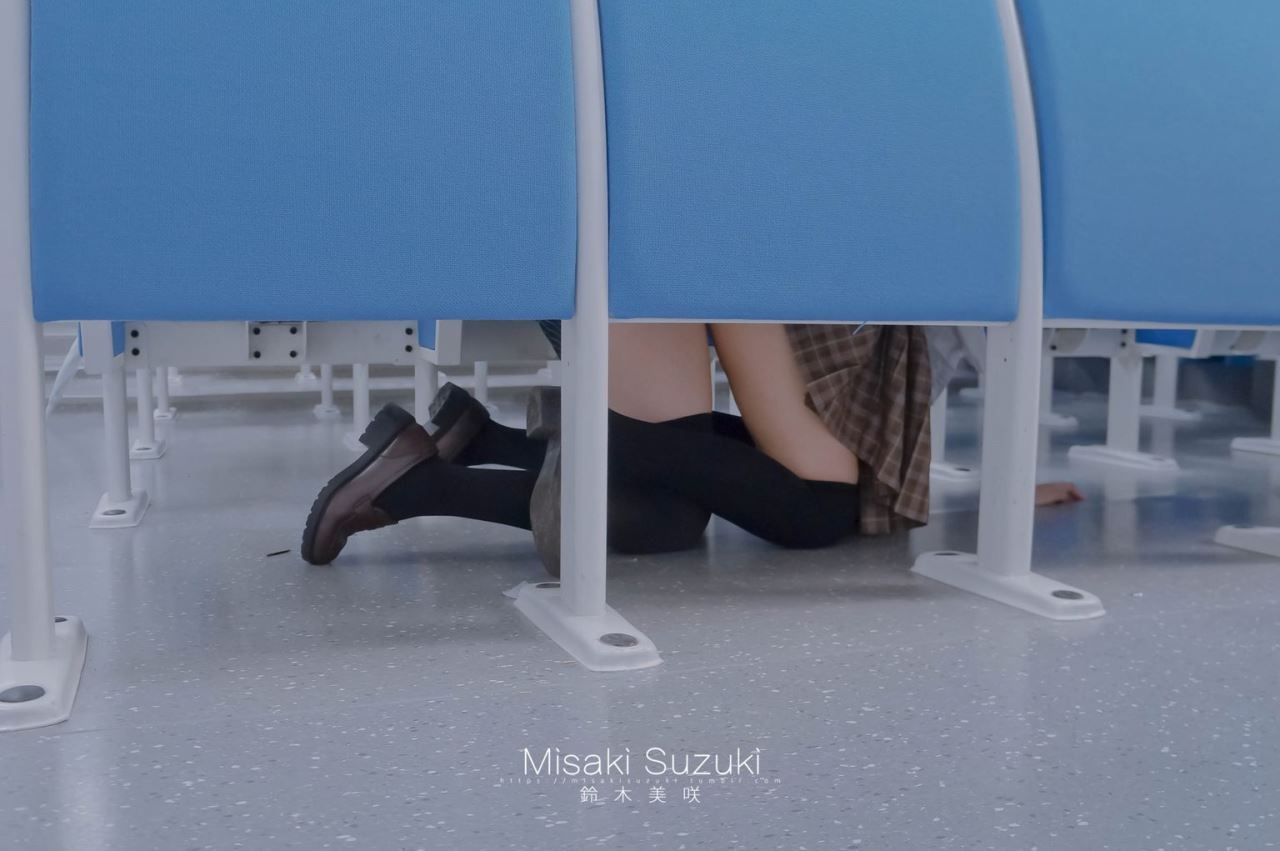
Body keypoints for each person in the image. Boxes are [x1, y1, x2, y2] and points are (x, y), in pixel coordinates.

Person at [300, 323, 1081, 571]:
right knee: (817, 510)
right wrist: (1010, 476)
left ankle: (446, 465)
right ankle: (582, 430)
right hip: (707, 237)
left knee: (664, 519)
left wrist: (1010, 474)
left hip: (673, 222)